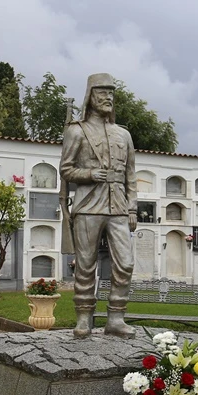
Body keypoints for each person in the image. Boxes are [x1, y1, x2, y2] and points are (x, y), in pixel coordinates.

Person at [60, 73, 137, 338]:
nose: (108, 99)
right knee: (85, 264)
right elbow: (66, 169)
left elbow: (131, 176)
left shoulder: (123, 134)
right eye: (102, 93)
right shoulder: (76, 131)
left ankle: (115, 318)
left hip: (117, 206)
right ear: (90, 97)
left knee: (125, 263)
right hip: (88, 205)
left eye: (111, 94)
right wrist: (89, 175)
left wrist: (133, 208)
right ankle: (83, 318)